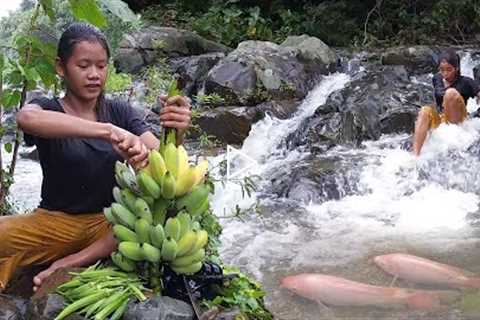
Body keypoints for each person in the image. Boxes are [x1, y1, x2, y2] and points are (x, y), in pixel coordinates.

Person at [0, 22, 192, 292]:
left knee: (153, 216)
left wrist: (176, 131)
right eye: (83, 65)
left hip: (111, 225)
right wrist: (107, 132)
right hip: (54, 223)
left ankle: (75, 261)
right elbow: (26, 118)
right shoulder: (49, 108)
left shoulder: (121, 111)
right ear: (60, 67)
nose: (94, 75)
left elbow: (162, 158)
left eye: (101, 66)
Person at [412, 48, 480, 156]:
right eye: (442, 69)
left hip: (458, 118)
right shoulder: (437, 78)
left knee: (450, 93)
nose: (445, 73)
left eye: (449, 69)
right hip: (441, 119)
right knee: (425, 110)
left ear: (456, 68)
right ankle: (415, 156)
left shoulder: (466, 82)